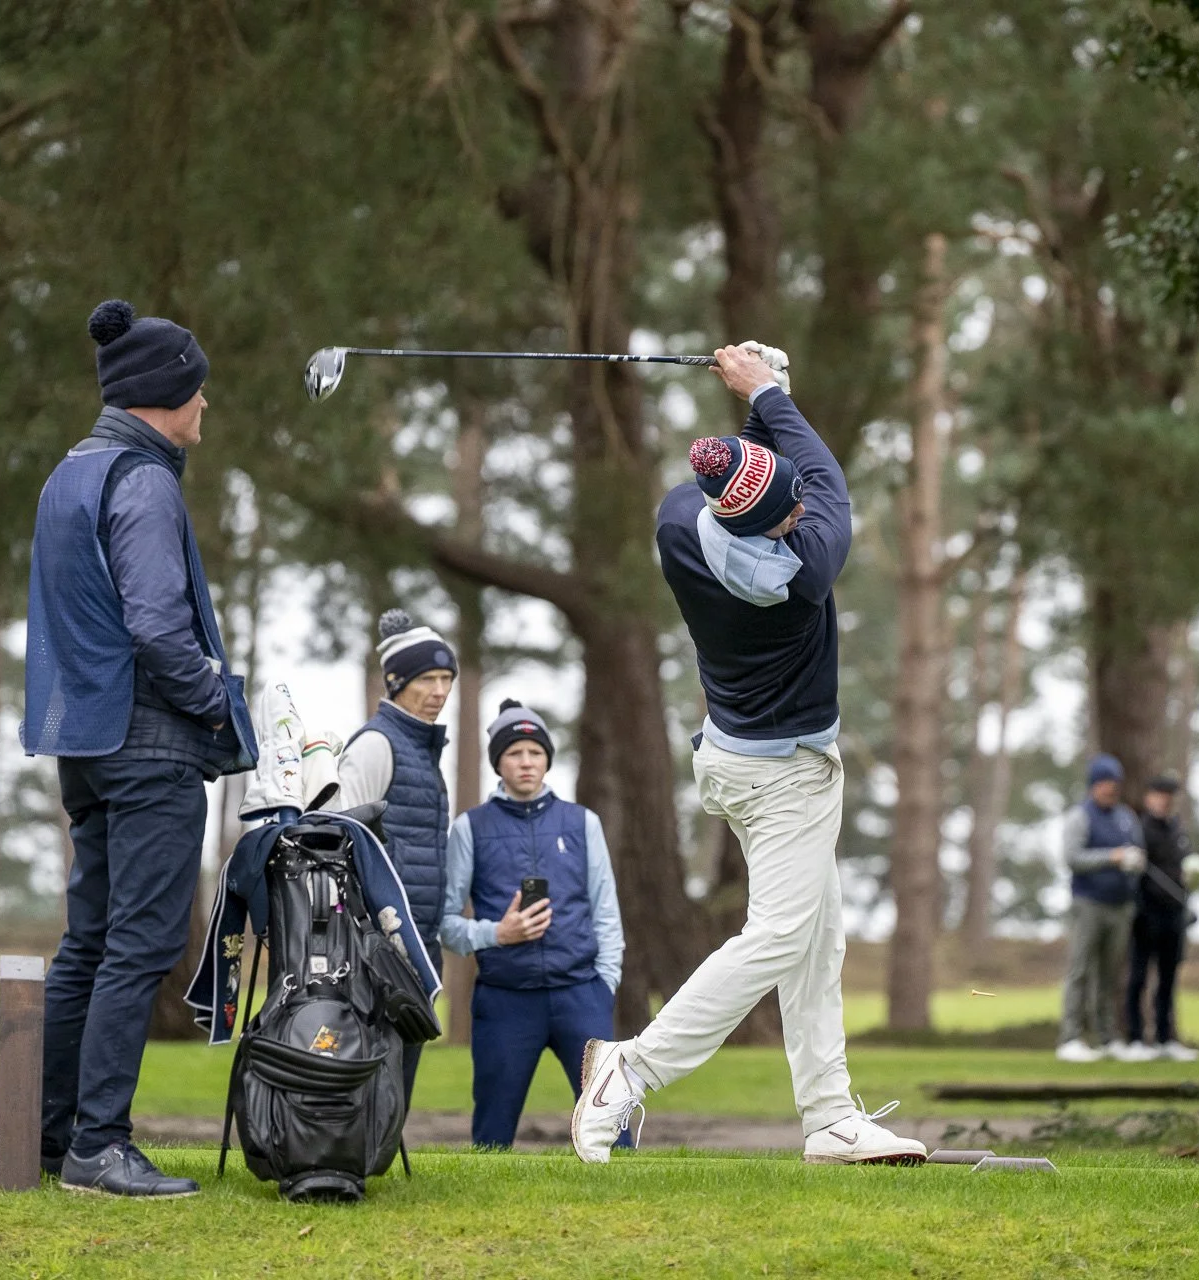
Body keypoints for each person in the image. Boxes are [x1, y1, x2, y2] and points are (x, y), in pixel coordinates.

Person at [569, 342, 925, 1166]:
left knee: (817, 938)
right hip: (785, 778)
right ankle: (627, 1070)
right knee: (776, 938)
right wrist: (766, 389)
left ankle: (831, 1118)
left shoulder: (678, 520)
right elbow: (820, 473)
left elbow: (760, 475)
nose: (803, 516)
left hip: (735, 760)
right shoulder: (803, 573)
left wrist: (760, 410)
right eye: (790, 518)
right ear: (771, 532)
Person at [24, 299, 257, 1198]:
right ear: (167, 394)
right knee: (141, 944)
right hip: (149, 748)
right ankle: (99, 1147)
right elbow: (161, 629)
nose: (206, 408)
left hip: (84, 745)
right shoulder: (145, 479)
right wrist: (217, 712)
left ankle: (52, 1137)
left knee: (88, 943)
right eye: (200, 392)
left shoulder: (69, 473)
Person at [440, 700, 626, 1149]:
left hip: (580, 993)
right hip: (504, 1001)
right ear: (498, 762)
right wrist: (496, 935)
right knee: (491, 1140)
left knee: (612, 1135)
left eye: (535, 752)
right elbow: (445, 923)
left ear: (547, 759)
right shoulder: (470, 828)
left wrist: (604, 985)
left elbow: (607, 912)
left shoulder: (582, 823)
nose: (526, 762)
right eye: (515, 753)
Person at [330, 607, 457, 1102]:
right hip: (379, 943)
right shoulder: (377, 744)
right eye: (427, 678)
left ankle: (376, 1159)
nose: (440, 691)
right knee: (372, 1069)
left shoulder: (421, 749)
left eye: (447, 678)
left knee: (401, 1071)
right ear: (396, 681)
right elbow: (345, 846)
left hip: (418, 938)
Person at [1056, 754, 1146, 1064]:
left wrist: (1134, 863)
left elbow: (1136, 853)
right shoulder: (1080, 816)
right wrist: (1113, 857)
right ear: (1094, 785)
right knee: (1080, 971)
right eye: (1106, 783)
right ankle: (1070, 1038)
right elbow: (1072, 858)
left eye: (1115, 784)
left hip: (1120, 906)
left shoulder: (1125, 817)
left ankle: (1108, 1038)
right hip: (1089, 904)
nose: (1112, 789)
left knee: (1110, 976)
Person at [1120, 775, 1199, 1064]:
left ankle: (1164, 1038)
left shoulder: (1177, 829)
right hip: (1145, 913)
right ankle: (1134, 1038)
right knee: (1139, 976)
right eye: (1158, 794)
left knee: (1168, 978)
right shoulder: (1138, 829)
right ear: (1148, 797)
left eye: (1168, 795)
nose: (1164, 800)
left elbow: (1183, 866)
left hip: (1174, 912)